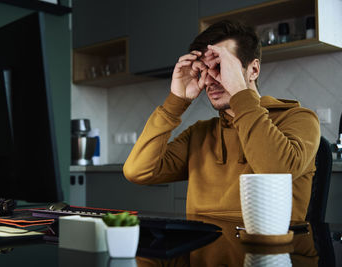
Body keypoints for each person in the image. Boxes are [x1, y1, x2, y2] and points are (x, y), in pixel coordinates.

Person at [123, 20, 320, 221]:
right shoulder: (199, 134)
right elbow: (137, 171)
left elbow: (276, 173)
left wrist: (240, 94)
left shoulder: (299, 118)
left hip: (270, 250)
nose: (209, 80)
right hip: (202, 249)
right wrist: (176, 101)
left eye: (221, 66)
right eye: (203, 71)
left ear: (253, 70)